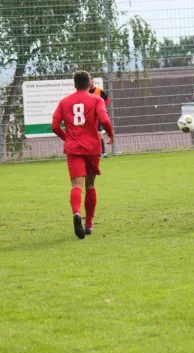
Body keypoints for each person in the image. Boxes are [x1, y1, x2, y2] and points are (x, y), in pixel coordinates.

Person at [52, 71, 115, 239]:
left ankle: (76, 213)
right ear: (89, 84)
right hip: (92, 148)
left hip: (73, 148)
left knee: (76, 186)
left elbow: (55, 125)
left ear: (74, 85)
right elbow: (106, 120)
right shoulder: (96, 99)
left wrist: (67, 138)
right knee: (90, 184)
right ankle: (89, 224)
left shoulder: (64, 102)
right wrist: (111, 134)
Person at [89, 76, 111, 158]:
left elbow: (107, 99)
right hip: (88, 117)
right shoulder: (85, 92)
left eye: (92, 81)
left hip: (96, 117)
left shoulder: (98, 91)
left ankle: (102, 152)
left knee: (98, 134)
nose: (91, 82)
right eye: (89, 81)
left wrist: (101, 108)